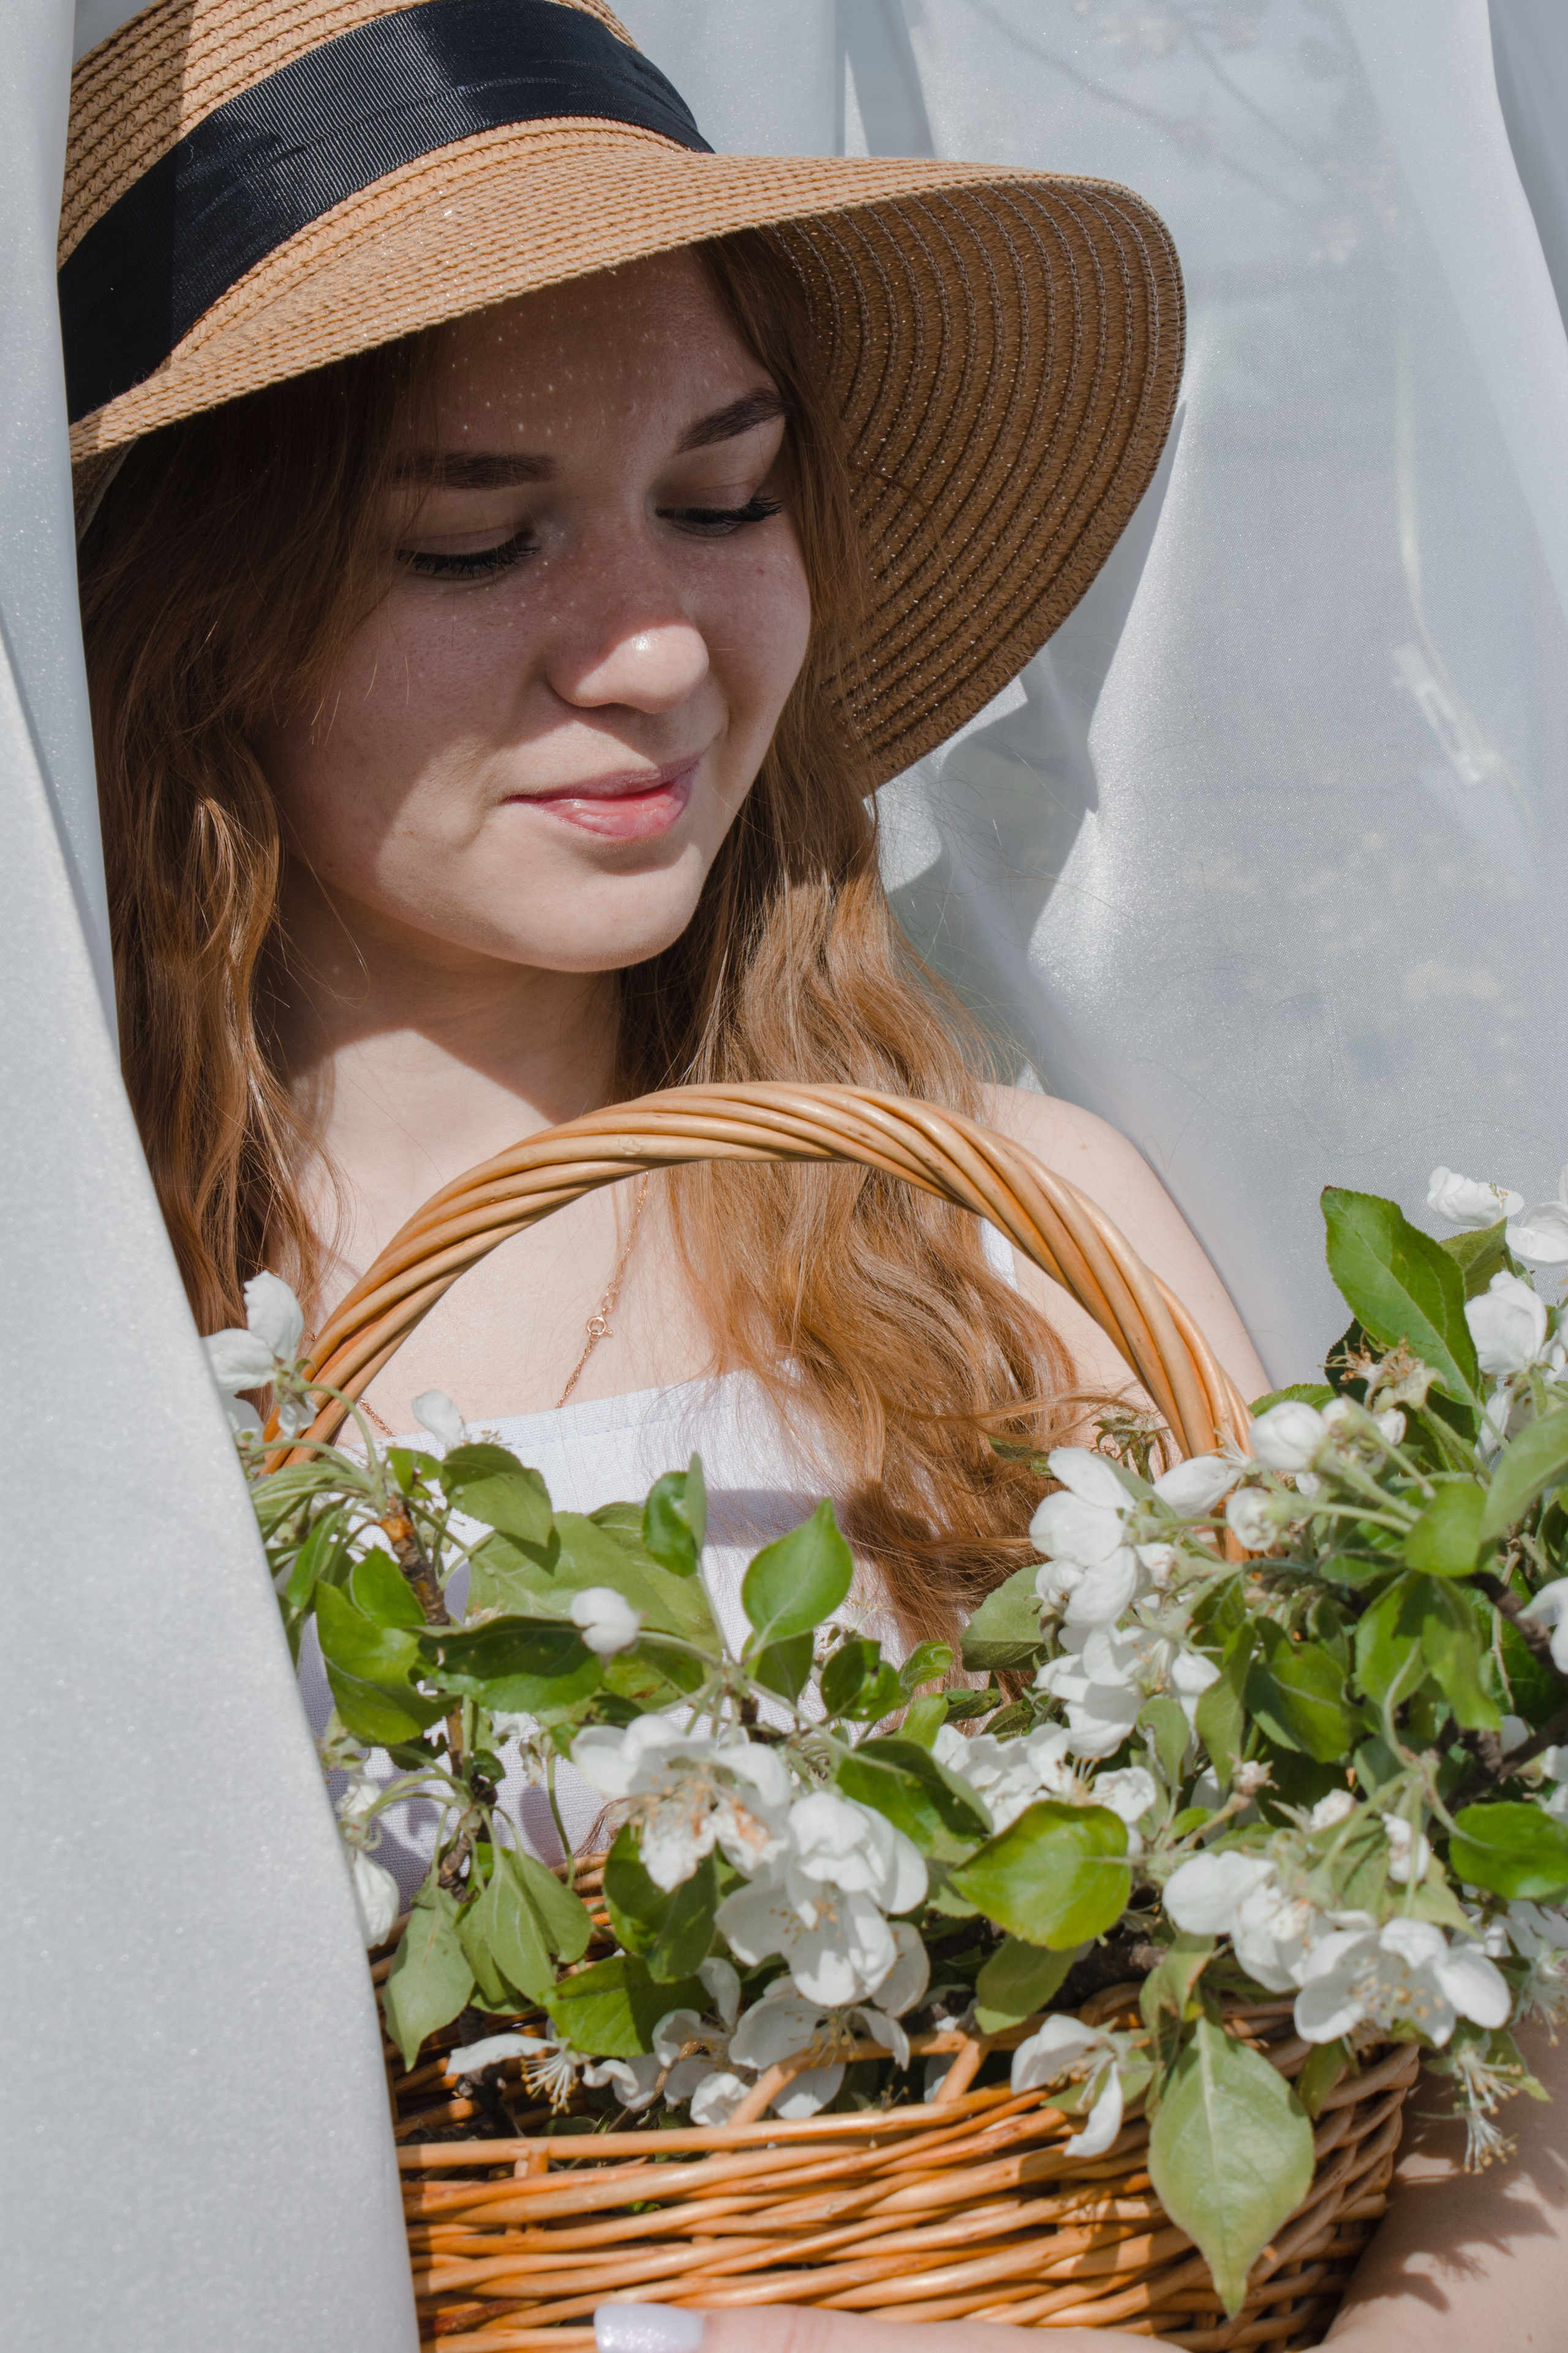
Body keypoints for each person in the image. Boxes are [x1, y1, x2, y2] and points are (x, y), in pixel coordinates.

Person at [66, 1, 1567, 2344]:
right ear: (198, 622)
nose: (657, 646)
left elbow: (1497, 2071)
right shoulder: (91, 1364)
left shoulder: (1000, 1239)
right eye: (476, 537)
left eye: (726, 497)